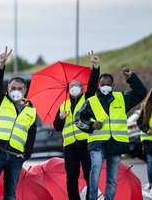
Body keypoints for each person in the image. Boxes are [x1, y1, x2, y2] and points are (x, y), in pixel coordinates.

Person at [75, 67, 147, 200]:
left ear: (113, 85)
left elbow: (142, 92)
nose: (105, 87)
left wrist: (131, 77)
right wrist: (91, 125)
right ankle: (92, 198)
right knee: (96, 167)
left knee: (112, 177)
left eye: (108, 85)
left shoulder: (122, 98)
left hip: (116, 143)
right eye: (103, 84)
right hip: (97, 143)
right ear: (99, 84)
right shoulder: (91, 101)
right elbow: (78, 119)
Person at [0, 47, 39, 200]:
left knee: (10, 194)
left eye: (19, 88)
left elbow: (31, 136)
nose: (16, 90)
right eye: (13, 88)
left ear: (25, 90)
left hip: (15, 157)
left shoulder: (31, 111)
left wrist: (25, 155)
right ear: (8, 88)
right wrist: (1, 65)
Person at [53, 51, 100, 200]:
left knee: (89, 177)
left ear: (82, 88)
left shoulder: (87, 99)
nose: (75, 88)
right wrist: (60, 118)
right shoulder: (63, 105)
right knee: (71, 179)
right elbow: (57, 127)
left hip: (86, 146)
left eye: (78, 85)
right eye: (72, 86)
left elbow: (92, 84)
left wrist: (96, 67)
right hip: (70, 148)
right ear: (68, 89)